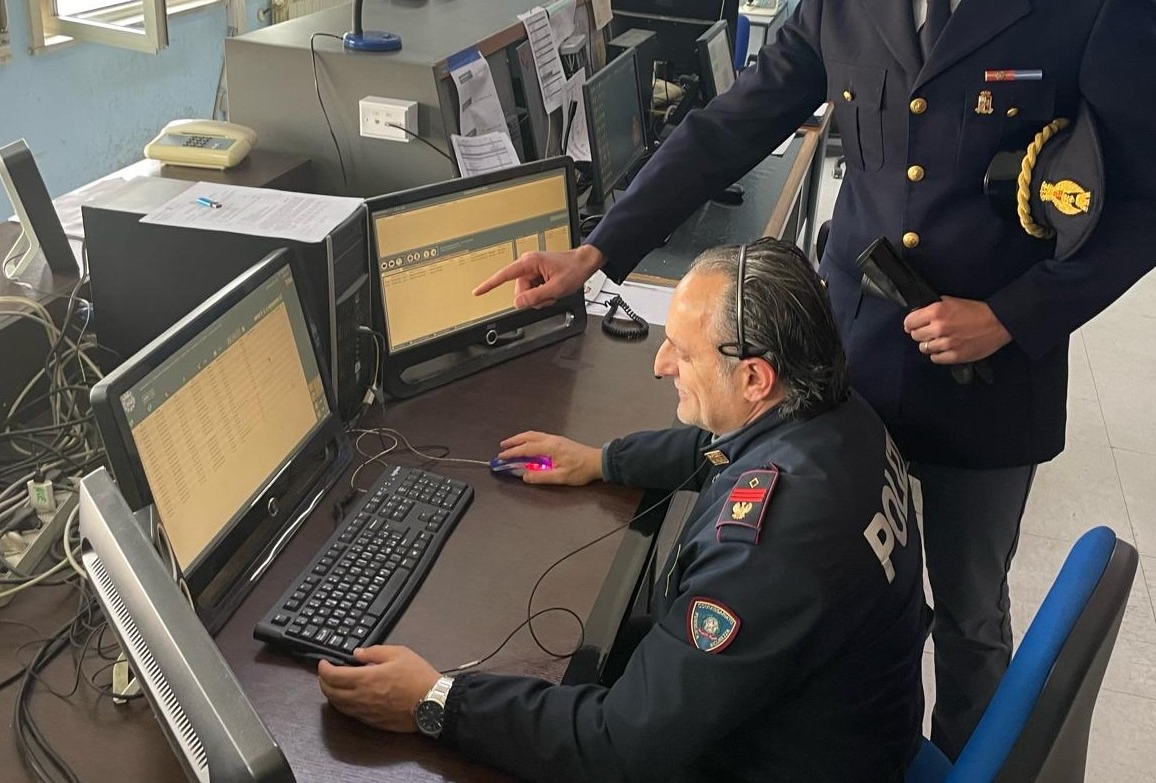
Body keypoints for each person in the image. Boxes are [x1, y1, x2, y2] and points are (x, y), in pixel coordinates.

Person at [471, 0, 1156, 759]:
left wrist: (1010, 315)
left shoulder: (1097, 11)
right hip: (854, 351)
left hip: (989, 373)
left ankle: (965, 760)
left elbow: (1141, 204)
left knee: (970, 617)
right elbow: (730, 124)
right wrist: (597, 251)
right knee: (839, 584)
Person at [319, 239, 927, 783]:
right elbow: (723, 445)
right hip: (843, 726)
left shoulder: (766, 549)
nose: (661, 364)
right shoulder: (836, 413)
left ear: (753, 379)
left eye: (682, 353)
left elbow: (620, 746)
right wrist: (602, 460)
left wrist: (436, 701)